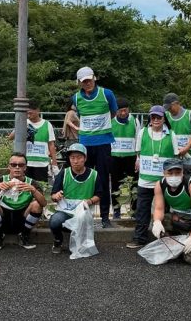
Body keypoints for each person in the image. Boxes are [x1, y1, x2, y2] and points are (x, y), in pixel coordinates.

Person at [72, 66, 118, 228]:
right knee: (83, 179)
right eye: (84, 81)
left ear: (94, 78)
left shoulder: (107, 94)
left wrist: (101, 127)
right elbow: (79, 115)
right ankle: (82, 216)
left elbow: (113, 113)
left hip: (103, 144)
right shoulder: (76, 98)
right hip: (85, 144)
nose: (88, 83)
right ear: (79, 83)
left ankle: (105, 217)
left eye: (89, 80)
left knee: (103, 180)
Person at [127, 105, 178, 249]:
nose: (156, 120)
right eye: (153, 117)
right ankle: (139, 238)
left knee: (164, 211)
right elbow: (138, 152)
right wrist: (138, 160)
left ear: (163, 119)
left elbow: (175, 156)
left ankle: (164, 239)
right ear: (150, 119)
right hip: (145, 180)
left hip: (163, 182)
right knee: (142, 211)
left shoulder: (171, 134)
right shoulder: (143, 132)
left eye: (159, 117)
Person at [151, 158, 191, 264]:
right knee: (158, 220)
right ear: (164, 173)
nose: (174, 176)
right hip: (178, 218)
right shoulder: (160, 184)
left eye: (177, 172)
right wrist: (157, 222)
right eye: (170, 173)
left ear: (182, 172)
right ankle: (174, 243)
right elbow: (159, 209)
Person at [0, 153, 47, 251]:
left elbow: (43, 204)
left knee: (36, 205)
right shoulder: (0, 180)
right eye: (14, 165)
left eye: (21, 165)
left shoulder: (32, 183)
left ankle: (25, 235)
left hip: (23, 219)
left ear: (25, 167)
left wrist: (33, 190)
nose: (17, 168)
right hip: (3, 218)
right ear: (9, 167)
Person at [50, 143, 102, 254]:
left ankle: (81, 240)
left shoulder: (94, 175)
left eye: (79, 157)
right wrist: (57, 196)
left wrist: (90, 201)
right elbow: (53, 195)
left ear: (85, 158)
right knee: (55, 221)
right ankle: (58, 240)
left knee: (81, 220)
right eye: (72, 158)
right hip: (66, 211)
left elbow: (99, 195)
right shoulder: (64, 173)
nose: (75, 161)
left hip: (83, 212)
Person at [110, 97, 140, 219]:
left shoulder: (135, 121)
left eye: (125, 110)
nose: (123, 113)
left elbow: (138, 139)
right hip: (115, 158)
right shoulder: (111, 122)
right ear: (115, 111)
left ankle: (134, 210)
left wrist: (138, 158)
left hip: (131, 158)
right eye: (120, 111)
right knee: (115, 184)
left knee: (134, 183)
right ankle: (116, 210)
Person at [14, 99, 57, 182]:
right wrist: (20, 125)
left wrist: (54, 161)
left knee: (40, 187)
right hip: (26, 162)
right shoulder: (24, 123)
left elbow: (51, 144)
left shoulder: (47, 124)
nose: (29, 116)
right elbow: (11, 137)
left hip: (42, 163)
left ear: (37, 111)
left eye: (31, 113)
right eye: (27, 114)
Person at [163, 92, 191, 165]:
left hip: (188, 155)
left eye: (170, 107)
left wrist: (186, 148)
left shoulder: (190, 115)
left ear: (177, 103)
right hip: (172, 154)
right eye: (167, 108)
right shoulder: (166, 116)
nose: (169, 110)